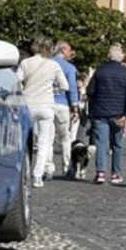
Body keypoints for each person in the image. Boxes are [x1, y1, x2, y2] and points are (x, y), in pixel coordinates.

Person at [17, 37, 70, 187]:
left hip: (28, 105)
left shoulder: (25, 63)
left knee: (23, 141)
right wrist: (53, 88)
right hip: (46, 105)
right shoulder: (53, 65)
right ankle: (37, 176)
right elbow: (65, 86)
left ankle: (21, 171)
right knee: (44, 143)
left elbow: (17, 80)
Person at [86, 45, 126, 185]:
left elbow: (90, 90)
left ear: (108, 56)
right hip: (119, 114)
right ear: (121, 57)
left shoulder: (100, 71)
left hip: (101, 112)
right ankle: (116, 174)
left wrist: (93, 108)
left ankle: (100, 173)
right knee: (117, 145)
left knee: (101, 143)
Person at [52, 41, 81, 180]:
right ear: (63, 50)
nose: (71, 53)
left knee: (47, 139)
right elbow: (72, 90)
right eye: (69, 50)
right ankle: (66, 167)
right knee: (65, 138)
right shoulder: (69, 67)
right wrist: (75, 108)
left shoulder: (47, 64)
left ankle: (48, 167)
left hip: (47, 103)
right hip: (62, 104)